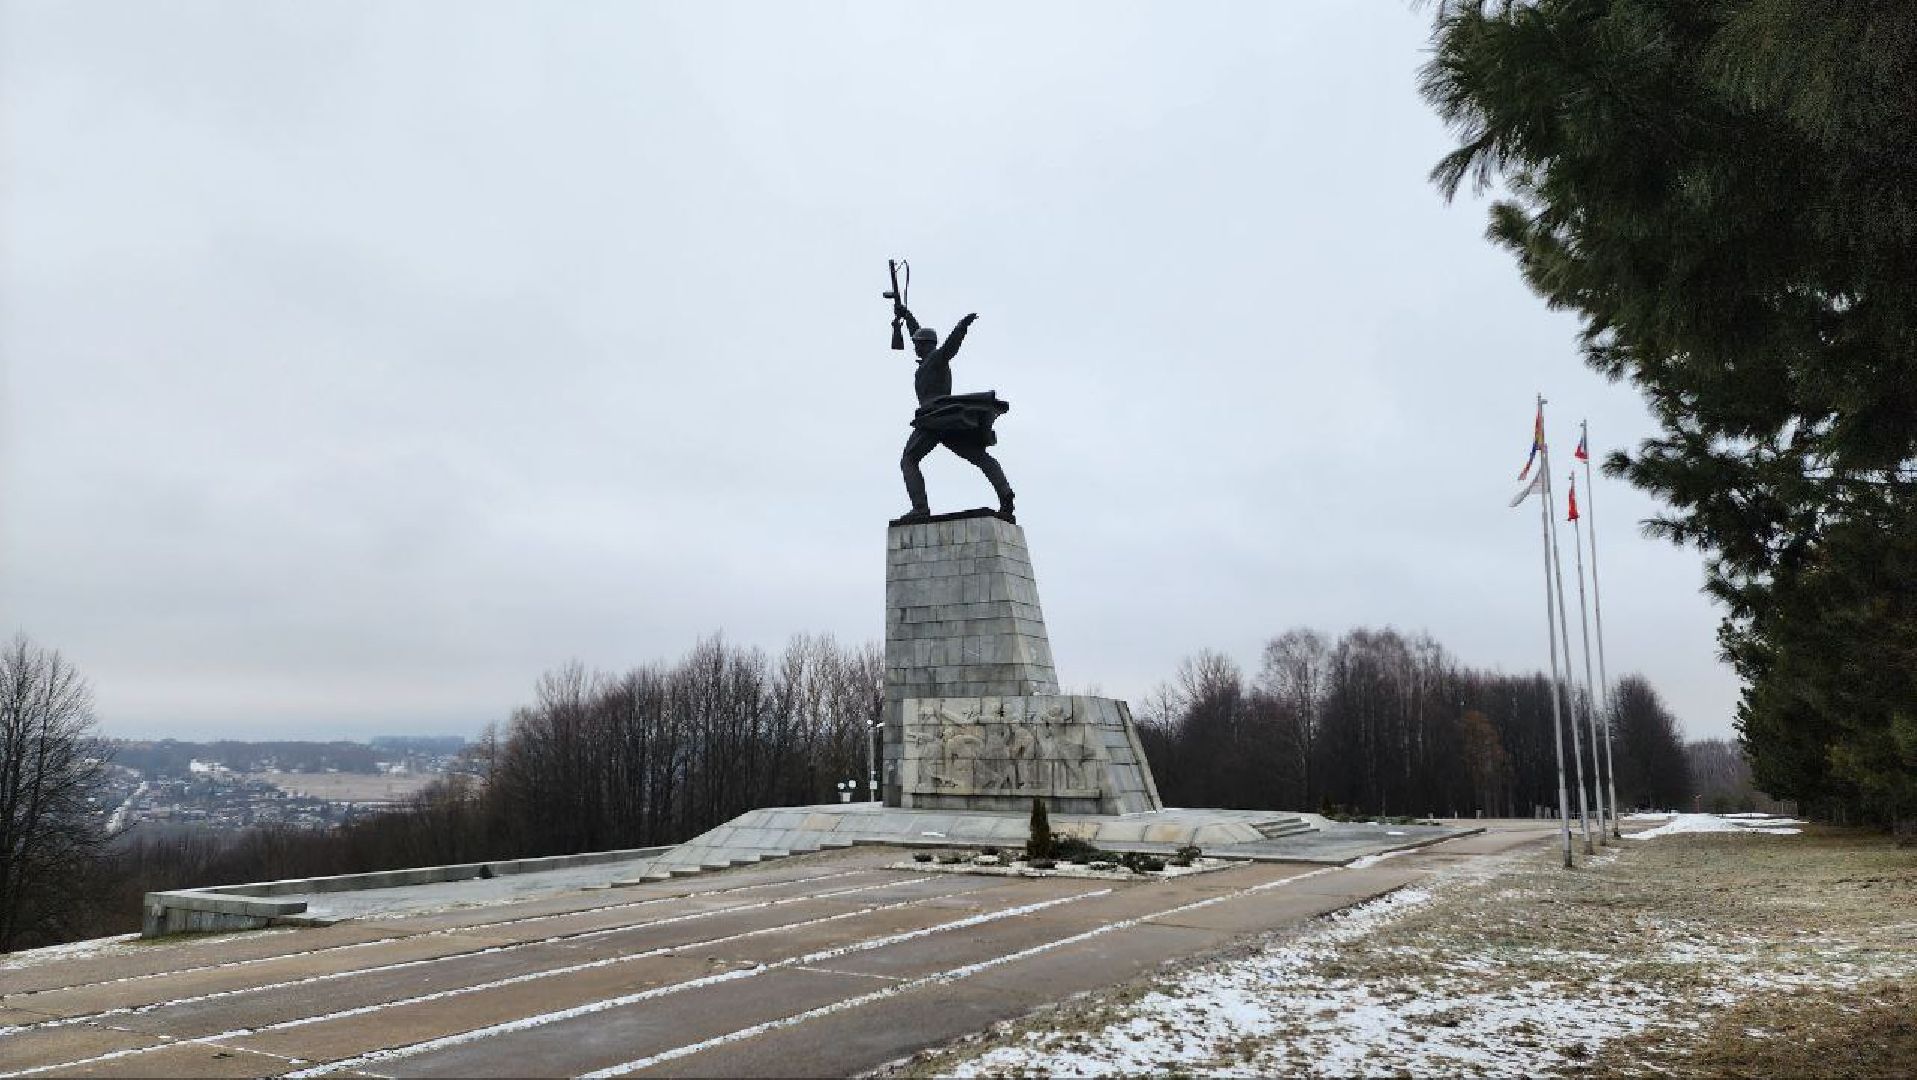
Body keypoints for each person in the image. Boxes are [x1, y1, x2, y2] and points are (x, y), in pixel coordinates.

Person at [894, 301, 1015, 520]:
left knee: (908, 459)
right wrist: (907, 314)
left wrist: (961, 327)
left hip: (934, 419)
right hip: (946, 422)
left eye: (918, 344)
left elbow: (950, 347)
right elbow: (917, 332)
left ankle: (920, 508)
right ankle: (1005, 494)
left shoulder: (936, 358)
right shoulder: (929, 359)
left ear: (926, 345)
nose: (914, 346)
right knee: (979, 457)